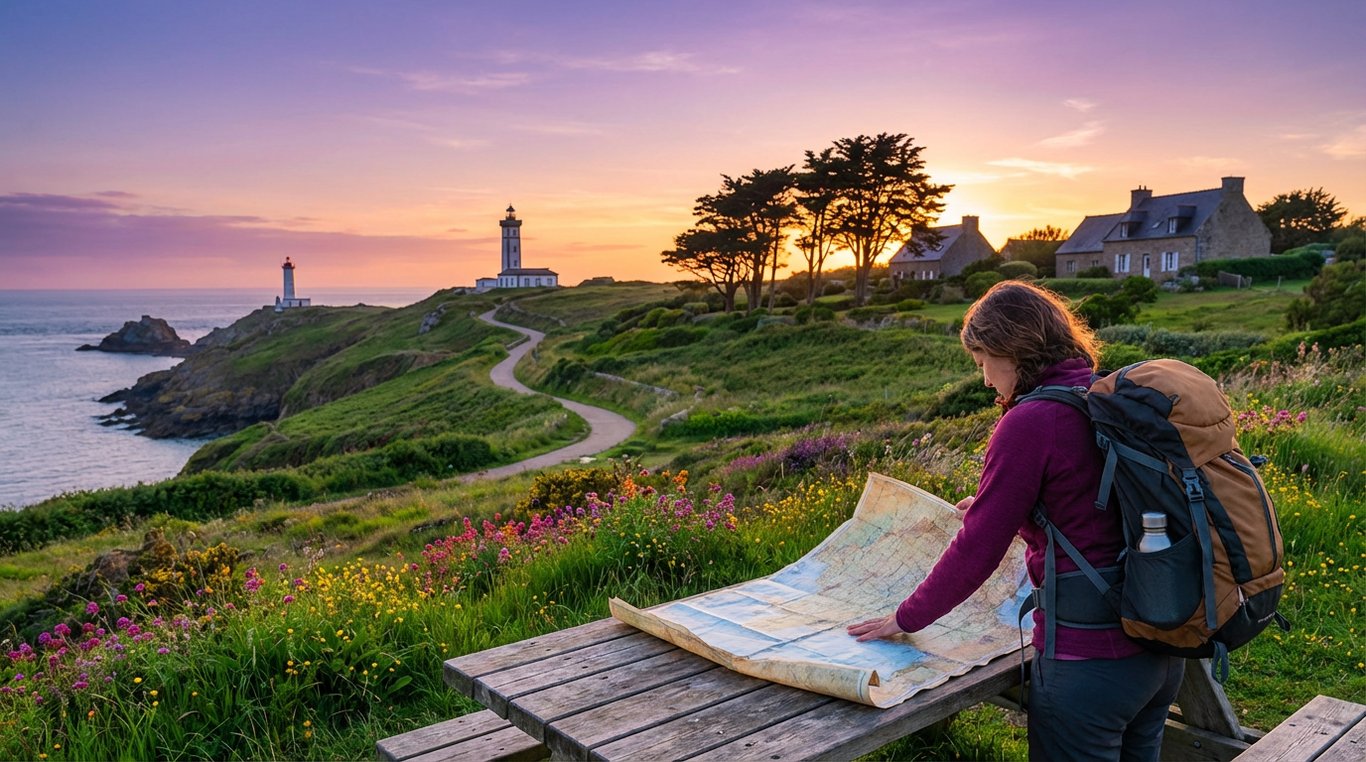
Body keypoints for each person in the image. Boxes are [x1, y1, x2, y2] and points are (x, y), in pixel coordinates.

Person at [847, 280, 1184, 761]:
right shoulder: (1101, 394)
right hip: (1158, 649)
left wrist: (904, 618)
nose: (985, 379)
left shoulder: (1031, 421)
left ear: (1011, 349)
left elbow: (976, 550)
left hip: (1087, 662)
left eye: (983, 361)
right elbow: (1092, 505)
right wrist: (1000, 507)